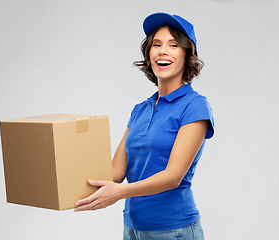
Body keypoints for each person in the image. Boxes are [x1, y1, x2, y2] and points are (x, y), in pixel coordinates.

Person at [74, 12, 215, 240]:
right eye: (156, 44)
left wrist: (119, 193)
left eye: (174, 45)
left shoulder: (195, 106)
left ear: (187, 54)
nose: (163, 50)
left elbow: (172, 176)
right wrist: (68, 177)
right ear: (148, 55)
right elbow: (117, 172)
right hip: (132, 229)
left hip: (173, 230)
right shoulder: (140, 109)